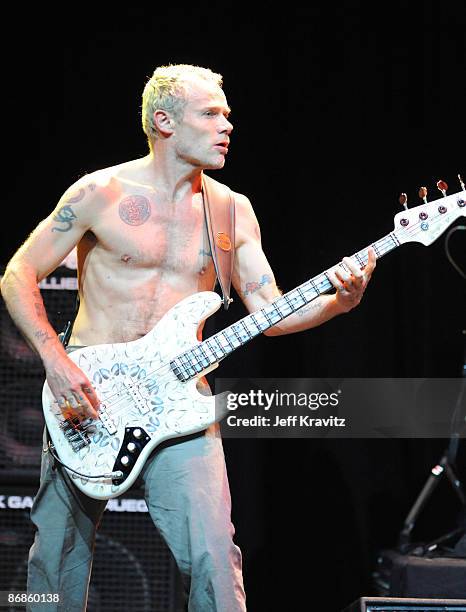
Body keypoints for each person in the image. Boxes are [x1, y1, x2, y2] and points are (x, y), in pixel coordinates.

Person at [0, 64, 376, 611]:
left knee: (215, 561)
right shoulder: (100, 192)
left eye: (226, 114)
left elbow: (269, 314)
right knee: (53, 562)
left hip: (182, 404)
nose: (227, 125)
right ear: (164, 122)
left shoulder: (231, 209)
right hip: (90, 398)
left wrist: (342, 301)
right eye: (211, 114)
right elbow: (17, 274)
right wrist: (56, 362)